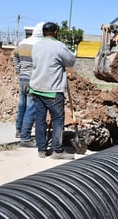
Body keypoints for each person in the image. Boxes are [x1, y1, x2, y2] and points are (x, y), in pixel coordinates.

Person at [29, 22, 76, 159]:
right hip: (53, 90)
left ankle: (42, 150)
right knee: (57, 120)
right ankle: (57, 151)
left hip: (37, 88)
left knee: (40, 119)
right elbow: (71, 61)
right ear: (55, 32)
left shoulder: (36, 46)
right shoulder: (58, 46)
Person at [12, 21, 45, 147]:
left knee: (22, 106)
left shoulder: (22, 43)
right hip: (33, 80)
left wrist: (19, 70)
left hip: (22, 79)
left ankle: (18, 130)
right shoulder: (40, 45)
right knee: (31, 108)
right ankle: (25, 137)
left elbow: (15, 58)